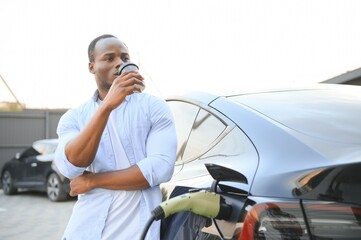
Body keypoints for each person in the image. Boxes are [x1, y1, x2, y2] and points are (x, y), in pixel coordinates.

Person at [54, 34, 177, 240]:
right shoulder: (73, 117)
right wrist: (106, 107)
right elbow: (71, 166)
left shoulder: (153, 107)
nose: (120, 62)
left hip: (136, 232)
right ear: (92, 66)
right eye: (109, 58)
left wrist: (92, 181)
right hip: (84, 231)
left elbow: (160, 168)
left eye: (124, 57)